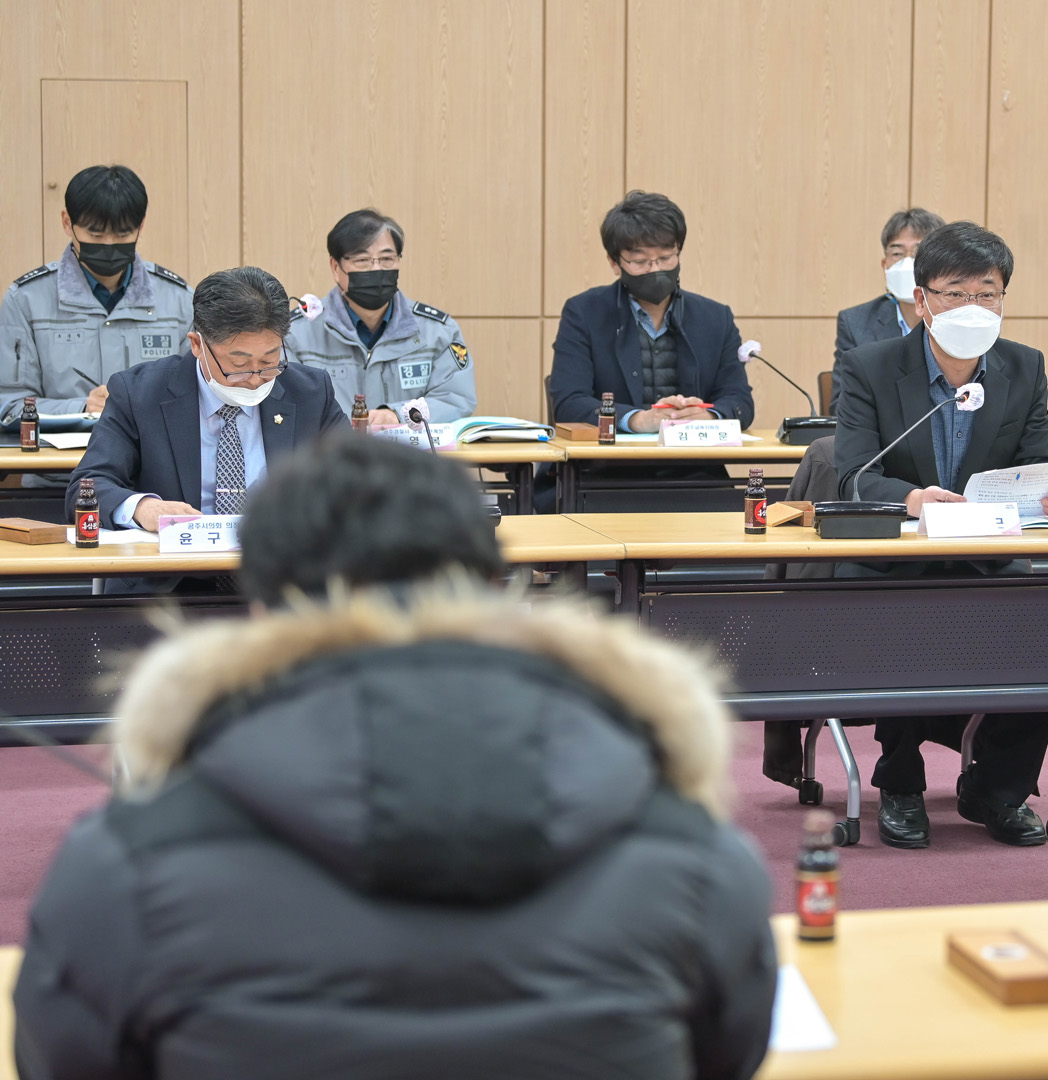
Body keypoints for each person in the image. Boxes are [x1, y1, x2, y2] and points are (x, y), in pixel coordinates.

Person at [13, 435, 778, 1080]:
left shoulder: (124, 867)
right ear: (494, 587)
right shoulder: (699, 859)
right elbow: (728, 1054)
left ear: (263, 606)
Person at [835, 221, 1048, 849]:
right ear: (922, 299)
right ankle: (900, 782)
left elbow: (1041, 462)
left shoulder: (1023, 366)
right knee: (912, 623)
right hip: (896, 564)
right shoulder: (871, 367)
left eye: (987, 293)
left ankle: (995, 787)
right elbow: (853, 476)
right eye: (955, 293)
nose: (973, 306)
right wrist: (913, 498)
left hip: (987, 558)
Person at [65, 265, 349, 529]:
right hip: (173, 562)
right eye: (238, 364)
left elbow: (356, 479)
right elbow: (87, 487)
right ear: (197, 345)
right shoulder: (139, 394)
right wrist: (143, 508)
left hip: (281, 560)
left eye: (269, 360)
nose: (254, 379)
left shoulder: (311, 392)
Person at [0, 165, 192, 509]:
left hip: (153, 488)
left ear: (141, 226)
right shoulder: (26, 299)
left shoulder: (178, 300)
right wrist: (82, 408)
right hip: (55, 484)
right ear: (67, 222)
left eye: (122, 234)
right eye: (95, 234)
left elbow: (194, 400)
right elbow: (8, 406)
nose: (109, 245)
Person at [550, 190, 753, 432]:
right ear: (614, 263)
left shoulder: (715, 318)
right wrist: (635, 420)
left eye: (666, 258)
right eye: (640, 261)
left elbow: (740, 401)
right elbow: (569, 403)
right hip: (613, 454)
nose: (655, 270)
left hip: (693, 454)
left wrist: (709, 416)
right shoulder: (585, 313)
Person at [286, 208, 476, 424]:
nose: (376, 269)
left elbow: (454, 399)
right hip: (333, 445)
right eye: (362, 260)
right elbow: (290, 406)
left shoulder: (438, 332)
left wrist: (397, 415)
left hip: (408, 446)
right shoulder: (297, 334)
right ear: (336, 267)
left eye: (387, 259)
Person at [829, 207, 944, 414]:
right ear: (885, 265)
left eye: (918, 252)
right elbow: (842, 406)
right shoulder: (856, 323)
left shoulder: (961, 319)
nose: (907, 262)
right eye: (897, 253)